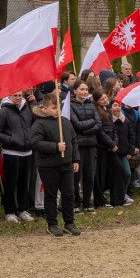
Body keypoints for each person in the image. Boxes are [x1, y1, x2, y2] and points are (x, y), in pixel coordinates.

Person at [31, 93, 81, 237]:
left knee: (69, 194)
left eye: (58, 107)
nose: (57, 110)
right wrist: (55, 147)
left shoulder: (65, 122)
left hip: (66, 164)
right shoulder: (39, 124)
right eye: (54, 108)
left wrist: (75, 159)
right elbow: (35, 143)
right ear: (45, 108)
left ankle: (69, 222)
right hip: (48, 165)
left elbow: (73, 141)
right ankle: (52, 224)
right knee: (51, 195)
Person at [0, 90, 35, 222]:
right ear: (9, 96)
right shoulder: (3, 112)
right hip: (11, 152)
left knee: (24, 183)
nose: (18, 98)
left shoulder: (27, 110)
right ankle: (10, 211)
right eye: (15, 95)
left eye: (20, 95)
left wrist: (30, 139)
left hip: (27, 152)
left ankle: (23, 210)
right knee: (11, 184)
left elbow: (33, 126)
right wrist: (11, 140)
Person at [69, 80, 101, 211]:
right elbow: (76, 125)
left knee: (90, 175)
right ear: (75, 91)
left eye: (86, 89)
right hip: (78, 145)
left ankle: (87, 203)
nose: (84, 92)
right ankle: (76, 203)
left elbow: (98, 124)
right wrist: (91, 122)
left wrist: (84, 130)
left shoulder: (91, 105)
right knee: (76, 176)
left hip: (91, 145)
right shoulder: (70, 105)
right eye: (82, 89)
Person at [105, 100, 137, 207]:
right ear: (110, 107)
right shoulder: (108, 120)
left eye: (119, 106)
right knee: (114, 174)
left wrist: (130, 151)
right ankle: (113, 192)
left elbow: (131, 136)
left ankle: (123, 193)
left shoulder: (126, 121)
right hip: (112, 153)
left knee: (127, 173)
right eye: (115, 105)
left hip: (123, 153)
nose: (117, 107)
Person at [93, 89, 114, 208]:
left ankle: (104, 197)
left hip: (107, 146)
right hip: (100, 146)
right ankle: (99, 200)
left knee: (105, 172)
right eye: (102, 99)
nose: (105, 100)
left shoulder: (107, 110)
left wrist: (112, 143)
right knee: (99, 174)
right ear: (96, 101)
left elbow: (112, 128)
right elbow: (100, 131)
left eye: (106, 98)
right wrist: (111, 144)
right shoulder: (97, 111)